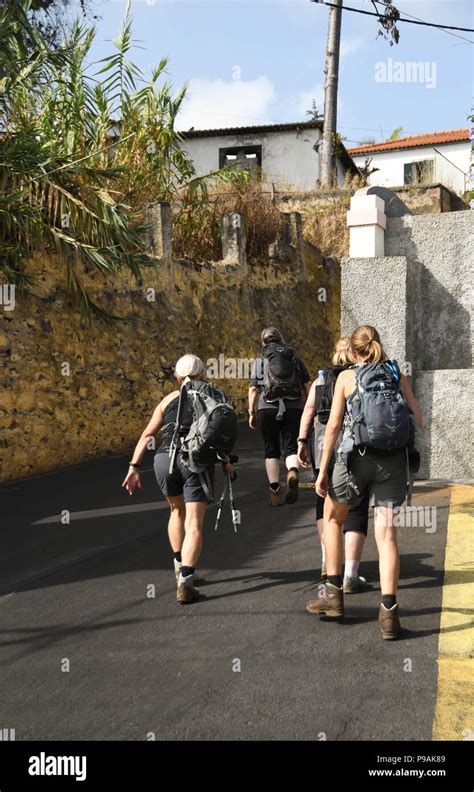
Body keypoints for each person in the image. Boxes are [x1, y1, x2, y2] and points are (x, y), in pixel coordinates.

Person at [305, 326, 423, 640]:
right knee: (387, 537)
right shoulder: (397, 373)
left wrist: (322, 471)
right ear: (378, 346)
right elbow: (418, 419)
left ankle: (333, 597)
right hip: (393, 462)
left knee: (332, 518)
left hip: (355, 460)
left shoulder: (346, 377)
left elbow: (331, 428)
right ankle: (388, 615)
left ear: (354, 352)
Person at [122, 354, 234, 605]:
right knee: (194, 523)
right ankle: (186, 581)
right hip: (194, 461)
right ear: (203, 374)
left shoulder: (168, 399)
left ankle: (178, 564)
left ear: (177, 377)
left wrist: (133, 466)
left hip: (163, 458)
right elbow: (220, 433)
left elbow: (147, 434)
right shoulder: (214, 396)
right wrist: (226, 462)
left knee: (175, 510)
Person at [297, 336, 370, 593]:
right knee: (357, 503)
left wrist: (301, 441)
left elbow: (308, 411)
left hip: (321, 445)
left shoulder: (321, 379)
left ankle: (328, 560)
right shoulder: (358, 377)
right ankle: (350, 572)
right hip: (353, 444)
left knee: (323, 499)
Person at [248, 327, 311, 506]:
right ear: (281, 339)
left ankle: (275, 492)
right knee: (290, 447)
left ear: (263, 342)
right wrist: (308, 407)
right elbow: (307, 383)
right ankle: (292, 471)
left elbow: (253, 389)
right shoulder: (294, 357)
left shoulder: (260, 360)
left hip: (267, 408)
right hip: (294, 407)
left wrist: (251, 412)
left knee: (271, 449)